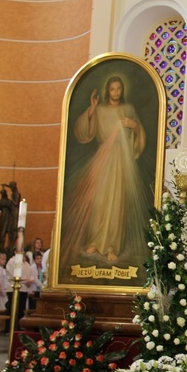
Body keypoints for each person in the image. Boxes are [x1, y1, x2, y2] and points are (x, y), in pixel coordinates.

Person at [60, 74, 148, 268]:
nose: (115, 92)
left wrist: (134, 126)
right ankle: (94, 242)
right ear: (107, 91)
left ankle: (111, 247)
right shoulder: (99, 110)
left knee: (116, 204)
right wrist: (91, 110)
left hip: (121, 160)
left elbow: (138, 136)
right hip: (103, 159)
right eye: (112, 89)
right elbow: (83, 132)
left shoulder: (128, 109)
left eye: (118, 89)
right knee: (98, 201)